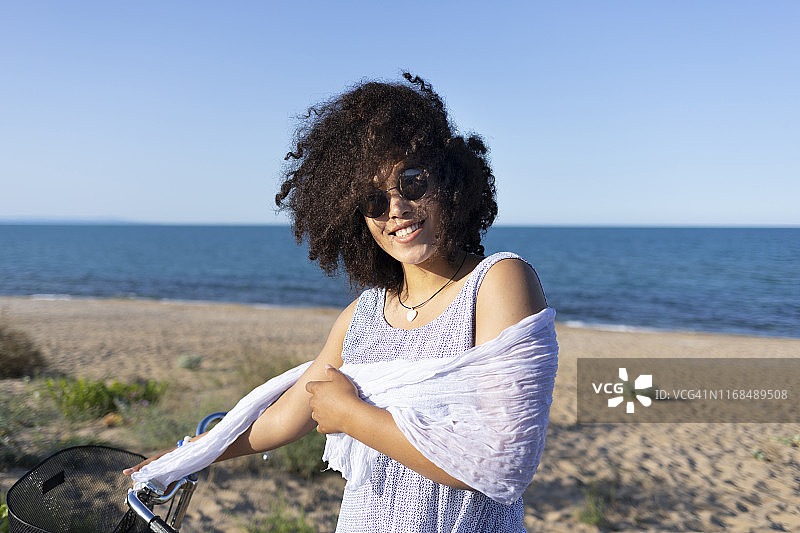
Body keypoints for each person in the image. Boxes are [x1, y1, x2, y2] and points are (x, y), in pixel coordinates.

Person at [126, 73, 555, 532]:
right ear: (354, 218)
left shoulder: (497, 283)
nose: (396, 208)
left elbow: (501, 463)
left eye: (412, 182)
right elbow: (281, 420)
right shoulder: (362, 317)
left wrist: (351, 415)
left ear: (450, 179)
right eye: (373, 199)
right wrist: (189, 453)